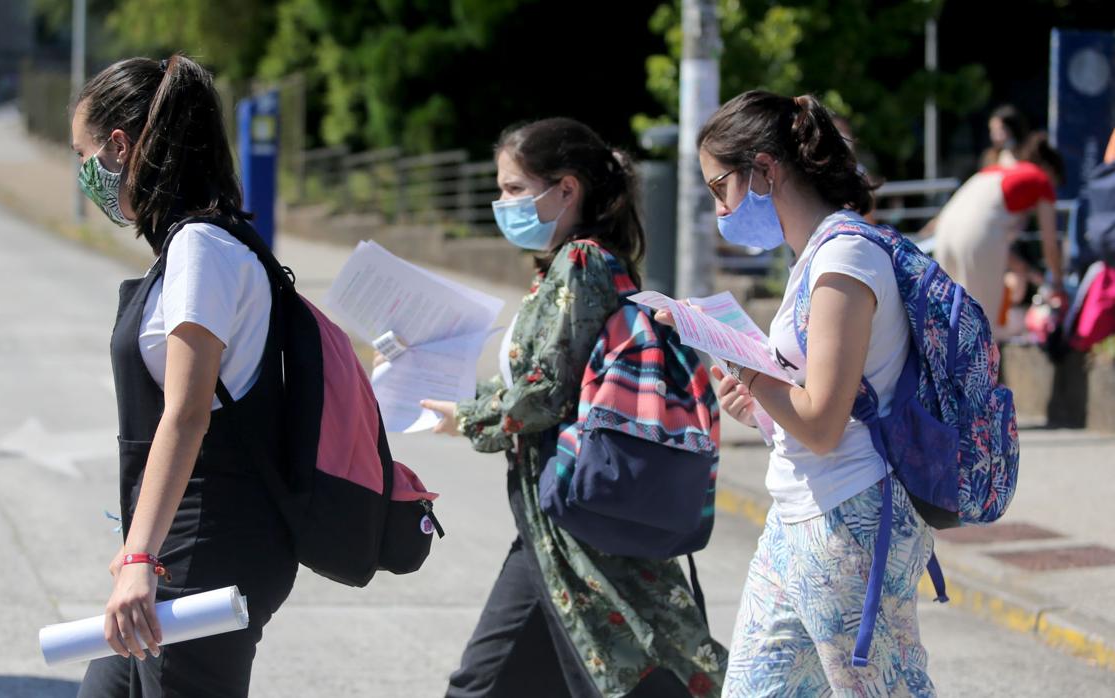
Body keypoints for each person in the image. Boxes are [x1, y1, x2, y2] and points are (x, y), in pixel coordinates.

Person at [418, 118, 726, 697]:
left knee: (623, 671)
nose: (501, 202)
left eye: (514, 188)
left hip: (574, 519)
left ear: (566, 189)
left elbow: (545, 388)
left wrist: (469, 419)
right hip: (555, 518)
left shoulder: (582, 263)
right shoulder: (572, 265)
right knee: (606, 666)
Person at [664, 90, 936, 695]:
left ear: (764, 169)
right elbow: (813, 406)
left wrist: (746, 365)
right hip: (798, 514)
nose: (720, 209)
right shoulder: (815, 257)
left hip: (853, 517)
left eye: (720, 188)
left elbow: (823, 423)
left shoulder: (845, 259)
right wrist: (758, 398)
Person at [70, 54, 295, 697]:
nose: (83, 173)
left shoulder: (201, 247)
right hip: (182, 543)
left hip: (207, 549)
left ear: (119, 147)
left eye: (83, 153)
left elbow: (188, 410)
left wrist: (140, 556)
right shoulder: (195, 242)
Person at [928, 131, 1066, 334]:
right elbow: (1050, 246)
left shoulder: (996, 171)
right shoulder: (1041, 180)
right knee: (981, 327)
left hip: (945, 234)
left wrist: (1024, 269)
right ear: (1050, 171)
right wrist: (1059, 282)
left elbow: (982, 230)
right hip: (975, 236)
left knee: (950, 319)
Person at [982, 104, 1030, 168]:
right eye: (992, 130)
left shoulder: (1029, 154)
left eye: (1000, 130)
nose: (994, 136)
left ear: (1014, 130)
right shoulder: (990, 158)